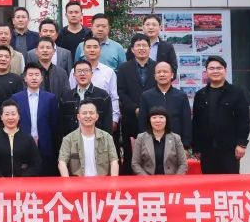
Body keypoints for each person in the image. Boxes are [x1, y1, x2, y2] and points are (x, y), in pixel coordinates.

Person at [192, 55, 250, 174]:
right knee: (209, 182)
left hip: (230, 149)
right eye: (211, 68)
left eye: (219, 68)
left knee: (230, 182)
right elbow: (196, 123)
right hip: (207, 150)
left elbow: (243, 120)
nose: (215, 71)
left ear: (225, 70)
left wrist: (241, 144)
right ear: (206, 71)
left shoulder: (236, 93)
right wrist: (196, 148)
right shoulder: (200, 95)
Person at [117, 33, 157, 172]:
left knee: (153, 155)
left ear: (149, 48)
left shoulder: (157, 67)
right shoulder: (124, 68)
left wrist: (150, 110)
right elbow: (121, 92)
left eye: (144, 45)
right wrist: (135, 108)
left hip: (154, 118)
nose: (141, 48)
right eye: (138, 46)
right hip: (131, 118)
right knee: (130, 156)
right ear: (132, 49)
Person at [11, 64, 59, 174]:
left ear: (41, 78)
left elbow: (54, 124)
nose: (34, 78)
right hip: (22, 145)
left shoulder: (50, 98)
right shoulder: (16, 98)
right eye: (30, 75)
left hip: (45, 145)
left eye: (37, 75)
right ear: (25, 78)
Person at [138, 60, 192, 149]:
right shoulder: (146, 96)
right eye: (159, 72)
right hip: (152, 144)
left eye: (165, 72)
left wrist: (185, 146)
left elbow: (186, 122)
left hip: (176, 144)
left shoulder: (181, 96)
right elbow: (142, 123)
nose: (162, 74)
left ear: (172, 75)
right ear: (155, 76)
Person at [57, 102, 119, 177]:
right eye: (84, 113)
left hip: (102, 181)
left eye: (91, 113)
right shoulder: (68, 139)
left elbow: (114, 161)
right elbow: (62, 162)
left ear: (97, 116)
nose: (88, 116)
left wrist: (113, 182)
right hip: (77, 182)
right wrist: (67, 182)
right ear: (78, 117)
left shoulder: (107, 137)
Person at [0, 101, 42, 177]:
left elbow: (36, 164)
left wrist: (24, 178)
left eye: (13, 114)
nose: (10, 118)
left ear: (19, 116)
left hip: (23, 183)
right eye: (7, 114)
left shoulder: (28, 139)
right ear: (1, 117)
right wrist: (0, 178)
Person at [58, 59, 114, 137]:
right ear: (74, 75)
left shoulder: (103, 96)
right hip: (72, 141)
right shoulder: (66, 97)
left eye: (86, 71)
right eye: (79, 71)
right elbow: (61, 125)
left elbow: (107, 124)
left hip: (97, 140)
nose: (82, 74)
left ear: (92, 74)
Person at [131, 106, 189, 175]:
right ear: (149, 120)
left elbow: (183, 164)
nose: (158, 120)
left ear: (166, 120)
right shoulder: (141, 138)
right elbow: (135, 163)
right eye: (154, 117)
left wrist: (175, 179)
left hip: (171, 179)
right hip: (147, 179)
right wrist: (146, 178)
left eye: (161, 117)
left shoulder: (176, 138)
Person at [81, 37, 121, 132]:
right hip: (82, 119)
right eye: (88, 47)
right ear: (83, 50)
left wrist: (114, 119)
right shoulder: (75, 72)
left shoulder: (109, 72)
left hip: (104, 117)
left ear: (100, 50)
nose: (92, 50)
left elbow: (114, 96)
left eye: (95, 47)